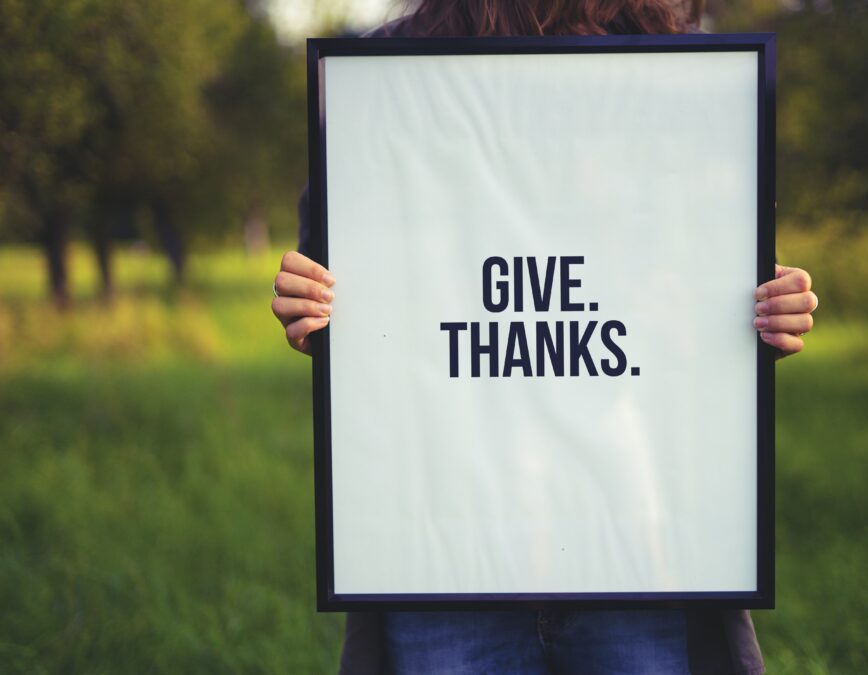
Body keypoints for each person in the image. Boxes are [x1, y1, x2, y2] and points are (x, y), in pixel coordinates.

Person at [271, 1, 818, 673]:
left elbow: (701, 275)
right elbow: (350, 293)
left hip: (634, 547)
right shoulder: (390, 73)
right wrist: (312, 308)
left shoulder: (672, 65)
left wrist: (764, 309)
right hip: (446, 551)